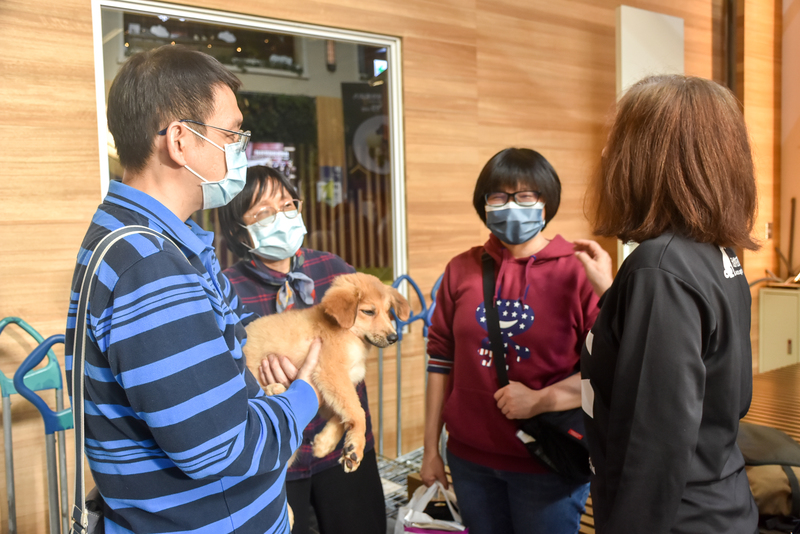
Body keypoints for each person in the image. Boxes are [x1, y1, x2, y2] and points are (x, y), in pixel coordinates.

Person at [65, 45, 320, 534]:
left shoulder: (145, 240)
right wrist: (302, 397)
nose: (241, 147)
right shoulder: (150, 264)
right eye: (232, 133)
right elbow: (217, 450)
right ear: (180, 141)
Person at [574, 74, 760, 534]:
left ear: (652, 156)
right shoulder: (712, 253)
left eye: (618, 140)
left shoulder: (660, 267)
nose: (605, 154)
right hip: (716, 499)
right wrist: (616, 293)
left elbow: (654, 445)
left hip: (674, 516)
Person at [421, 148, 600, 534]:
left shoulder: (577, 271)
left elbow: (606, 369)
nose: (510, 205)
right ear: (484, 204)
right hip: (470, 462)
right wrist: (430, 449)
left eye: (524, 196)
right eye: (498, 196)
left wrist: (542, 399)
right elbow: (440, 361)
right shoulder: (461, 269)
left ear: (546, 202)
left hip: (547, 462)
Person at [218, 165, 386, 534]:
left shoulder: (334, 271)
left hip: (342, 443)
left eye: (288, 204)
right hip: (274, 457)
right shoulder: (225, 291)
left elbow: (371, 336)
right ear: (238, 230)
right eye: (262, 213)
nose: (281, 216)